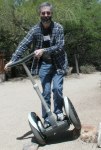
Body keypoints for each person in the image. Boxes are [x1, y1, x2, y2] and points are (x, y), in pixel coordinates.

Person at [5, 2, 68, 128]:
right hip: (44, 65)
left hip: (58, 64)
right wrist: (12, 60)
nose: (46, 15)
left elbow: (60, 46)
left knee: (57, 89)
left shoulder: (58, 28)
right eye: (43, 13)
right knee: (45, 92)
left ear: (51, 14)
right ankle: (47, 119)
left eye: (48, 13)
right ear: (39, 14)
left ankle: (59, 112)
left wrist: (44, 50)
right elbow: (23, 44)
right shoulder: (35, 30)